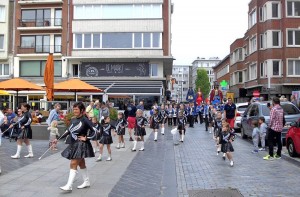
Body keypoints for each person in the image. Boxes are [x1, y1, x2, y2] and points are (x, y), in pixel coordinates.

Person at [56, 102, 98, 191]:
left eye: (76, 109)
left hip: (82, 145)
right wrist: (58, 139)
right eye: (73, 109)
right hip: (74, 144)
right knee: (81, 163)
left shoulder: (85, 120)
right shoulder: (73, 120)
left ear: (82, 110)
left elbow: (95, 131)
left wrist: (87, 138)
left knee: (73, 163)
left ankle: (69, 185)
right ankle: (86, 182)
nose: (74, 111)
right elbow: (68, 131)